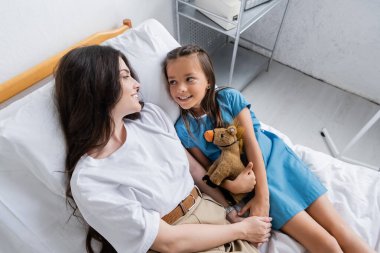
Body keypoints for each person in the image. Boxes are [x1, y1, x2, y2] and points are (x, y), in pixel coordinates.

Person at [54, 45, 272, 253]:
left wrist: (229, 212)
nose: (137, 84)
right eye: (124, 76)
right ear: (97, 87)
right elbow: (169, 242)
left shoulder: (151, 116)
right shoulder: (90, 179)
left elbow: (194, 170)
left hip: (212, 213)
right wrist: (240, 229)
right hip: (179, 238)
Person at [163, 44, 375, 253]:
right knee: (326, 244)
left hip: (278, 162)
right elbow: (209, 171)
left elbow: (253, 143)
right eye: (173, 81)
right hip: (251, 185)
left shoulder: (228, 98)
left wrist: (262, 196)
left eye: (189, 79)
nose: (180, 88)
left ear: (208, 81)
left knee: (341, 230)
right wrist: (233, 187)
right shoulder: (184, 129)